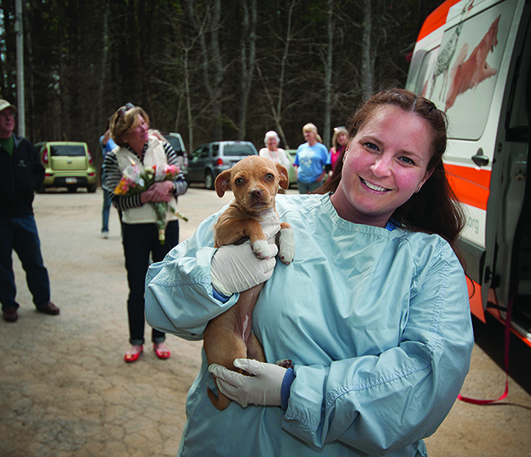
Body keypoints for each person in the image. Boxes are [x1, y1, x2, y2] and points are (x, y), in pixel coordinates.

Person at [144, 88, 473, 456]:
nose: (381, 168)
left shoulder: (430, 262)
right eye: (372, 146)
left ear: (426, 177)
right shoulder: (263, 213)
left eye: (407, 159)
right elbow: (158, 303)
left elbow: (424, 390)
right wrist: (213, 276)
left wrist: (293, 391)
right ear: (346, 147)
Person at [102, 103, 188, 363]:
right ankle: (136, 341)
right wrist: (144, 196)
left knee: (160, 285)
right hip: (135, 228)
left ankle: (159, 338)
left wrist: (169, 186)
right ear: (125, 131)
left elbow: (183, 181)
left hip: (167, 225)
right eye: (137, 124)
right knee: (137, 286)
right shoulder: (113, 157)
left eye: (144, 122)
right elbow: (115, 200)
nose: (144, 127)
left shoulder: (163, 146)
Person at [0, 99, 59, 323]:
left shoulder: (24, 145)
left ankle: (43, 300)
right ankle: (9, 304)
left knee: (34, 261)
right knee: (2, 264)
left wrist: (30, 185)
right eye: (2, 114)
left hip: (25, 215)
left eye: (11, 114)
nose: (9, 118)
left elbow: (38, 170)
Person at [293, 123, 330, 194]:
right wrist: (297, 174)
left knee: (315, 201)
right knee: (302, 201)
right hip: (302, 180)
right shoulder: (301, 147)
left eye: (309, 132)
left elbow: (327, 165)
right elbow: (296, 163)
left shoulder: (321, 148)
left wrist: (320, 177)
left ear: (315, 133)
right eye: (305, 132)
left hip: (315, 181)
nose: (307, 134)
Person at [100, 121, 118, 239]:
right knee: (107, 204)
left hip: (120, 174)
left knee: (123, 205)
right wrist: (112, 128)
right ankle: (105, 229)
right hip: (108, 174)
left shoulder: (120, 140)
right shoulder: (105, 139)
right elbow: (104, 140)